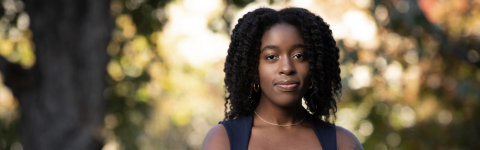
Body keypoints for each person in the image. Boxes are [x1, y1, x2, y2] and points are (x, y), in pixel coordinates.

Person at [202, 7, 363, 150]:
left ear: (314, 66)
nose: (287, 68)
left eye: (299, 56)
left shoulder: (342, 143)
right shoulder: (224, 140)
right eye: (272, 57)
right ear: (252, 70)